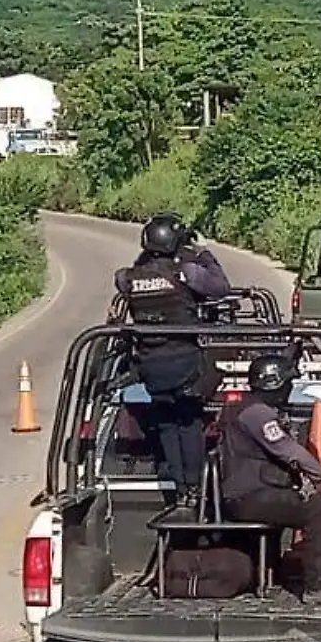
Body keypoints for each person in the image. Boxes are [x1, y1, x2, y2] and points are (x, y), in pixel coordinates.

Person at [112, 212, 233, 510]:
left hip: (151, 364)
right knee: (188, 421)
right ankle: (193, 487)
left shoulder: (129, 277)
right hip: (185, 362)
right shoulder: (186, 273)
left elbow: (130, 276)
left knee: (166, 422)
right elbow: (220, 288)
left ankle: (180, 490)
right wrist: (203, 253)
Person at [218, 353, 321, 604]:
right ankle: (320, 586)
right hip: (249, 497)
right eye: (287, 383)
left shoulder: (244, 407)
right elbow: (288, 451)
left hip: (246, 494)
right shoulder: (257, 413)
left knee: (306, 503)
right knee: (316, 509)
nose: (289, 388)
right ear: (274, 383)